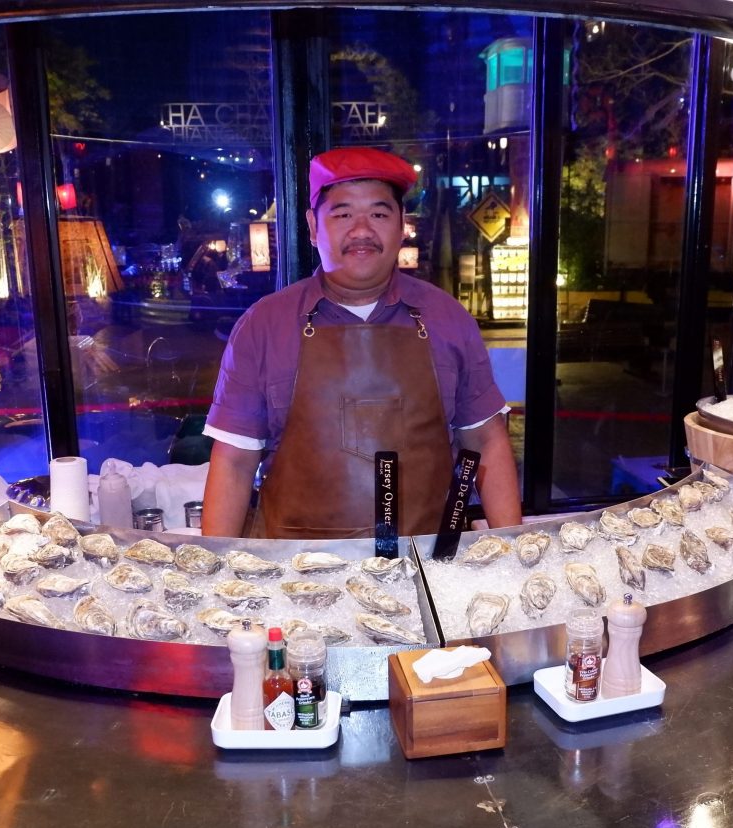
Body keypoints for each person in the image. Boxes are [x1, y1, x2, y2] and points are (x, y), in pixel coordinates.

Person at [200, 147, 522, 539]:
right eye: (343, 214)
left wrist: (512, 550)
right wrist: (216, 565)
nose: (362, 231)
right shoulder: (263, 325)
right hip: (292, 565)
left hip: (426, 562)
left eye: (379, 214)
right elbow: (233, 462)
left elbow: (486, 441)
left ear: (402, 225)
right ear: (313, 226)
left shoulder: (448, 318)